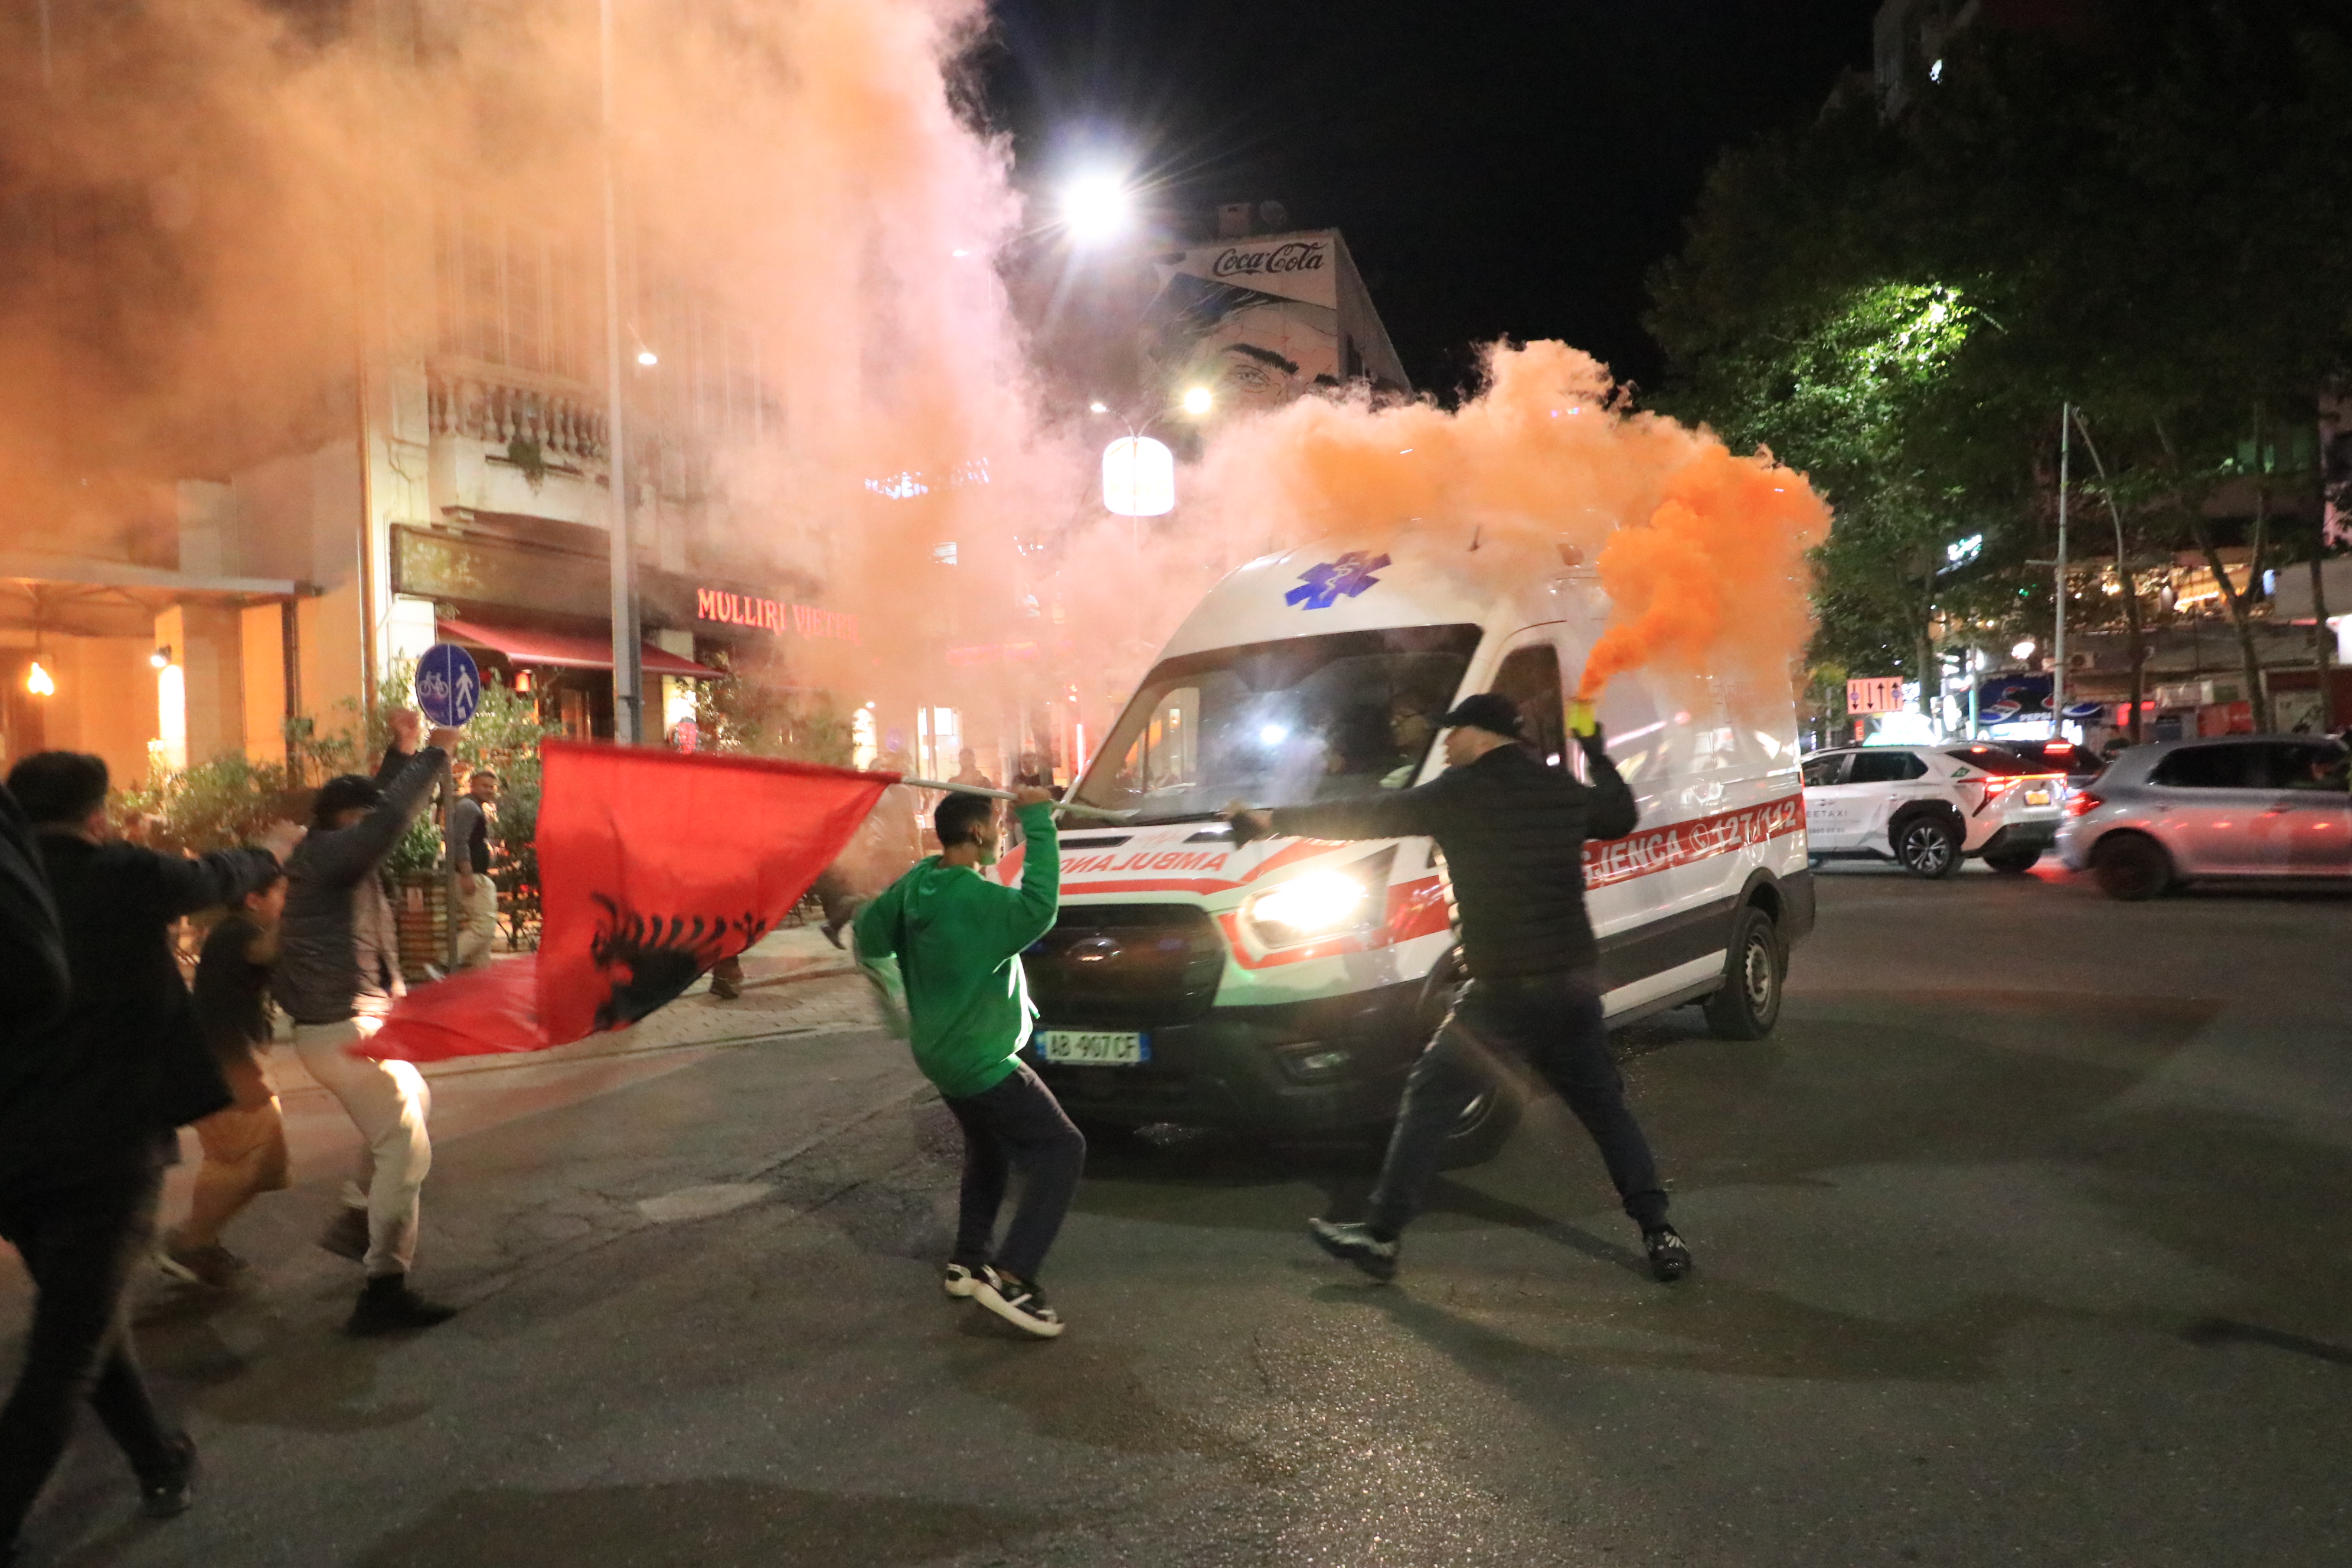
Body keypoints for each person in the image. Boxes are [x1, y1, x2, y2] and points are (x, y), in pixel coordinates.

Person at [1226, 691, 1693, 1286]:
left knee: (1428, 1098)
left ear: (1482, 734)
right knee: (1605, 1111)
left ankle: (1381, 1236)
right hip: (1571, 984)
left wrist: (1273, 821)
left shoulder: (1458, 794)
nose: (1445, 742)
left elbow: (1368, 817)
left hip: (1501, 992)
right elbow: (1620, 815)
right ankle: (1660, 1231)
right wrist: (1595, 750)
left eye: (1454, 732)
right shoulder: (1557, 790)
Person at [0, 752, 294, 1559]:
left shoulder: (12, 886)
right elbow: (216, 875)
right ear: (97, 816)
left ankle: (159, 1460)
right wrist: (272, 851)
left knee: (82, 1315)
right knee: (63, 1353)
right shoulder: (121, 874)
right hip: (105, 1144)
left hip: (14, 1151)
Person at [853, 786, 1082, 1338]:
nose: (1001, 832)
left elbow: (867, 935)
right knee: (1061, 1148)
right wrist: (1039, 821)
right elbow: (1040, 906)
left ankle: (967, 1261)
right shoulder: (979, 902)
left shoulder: (917, 885)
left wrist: (900, 998)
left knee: (988, 1148)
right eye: (998, 824)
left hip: (937, 1053)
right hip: (979, 1058)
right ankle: (1012, 1277)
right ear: (979, 835)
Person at [279, 708, 461, 1334]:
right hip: (341, 1029)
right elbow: (385, 820)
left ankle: (360, 1210)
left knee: (415, 1099)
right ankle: (383, 1287)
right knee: (406, 1149)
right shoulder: (328, 854)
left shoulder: (332, 849)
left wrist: (401, 749)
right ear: (342, 825)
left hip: (360, 1022)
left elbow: (376, 808)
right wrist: (435, 755)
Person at [158, 870, 293, 1289]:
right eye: (282, 894)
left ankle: (197, 1238)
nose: (286, 902)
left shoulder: (235, 932)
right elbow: (266, 952)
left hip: (232, 1061)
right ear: (253, 899)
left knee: (268, 1164)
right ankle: (190, 1242)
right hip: (224, 1065)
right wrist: (308, 906)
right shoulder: (236, 933)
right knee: (237, 1157)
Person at [447, 765, 499, 971]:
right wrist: (467, 875)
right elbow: (459, 841)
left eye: (492, 787)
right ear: (473, 786)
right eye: (485, 786)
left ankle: (479, 972)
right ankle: (445, 962)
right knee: (484, 926)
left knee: (484, 926)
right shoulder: (468, 807)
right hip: (470, 876)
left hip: (476, 874)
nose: (489, 790)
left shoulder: (473, 807)